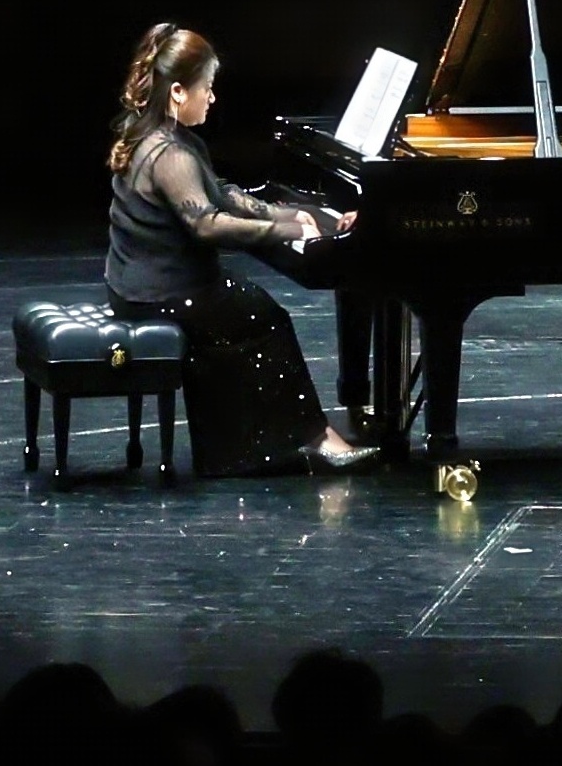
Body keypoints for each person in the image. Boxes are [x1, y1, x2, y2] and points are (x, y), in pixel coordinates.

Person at [104, 23, 372, 473]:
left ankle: (244, 444)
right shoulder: (169, 154)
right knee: (264, 316)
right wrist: (289, 231)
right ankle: (306, 439)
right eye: (206, 87)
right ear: (177, 92)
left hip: (139, 284)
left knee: (250, 309)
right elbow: (207, 224)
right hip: (159, 294)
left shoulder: (160, 134)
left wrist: (309, 217)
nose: (212, 97)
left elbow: (224, 195)